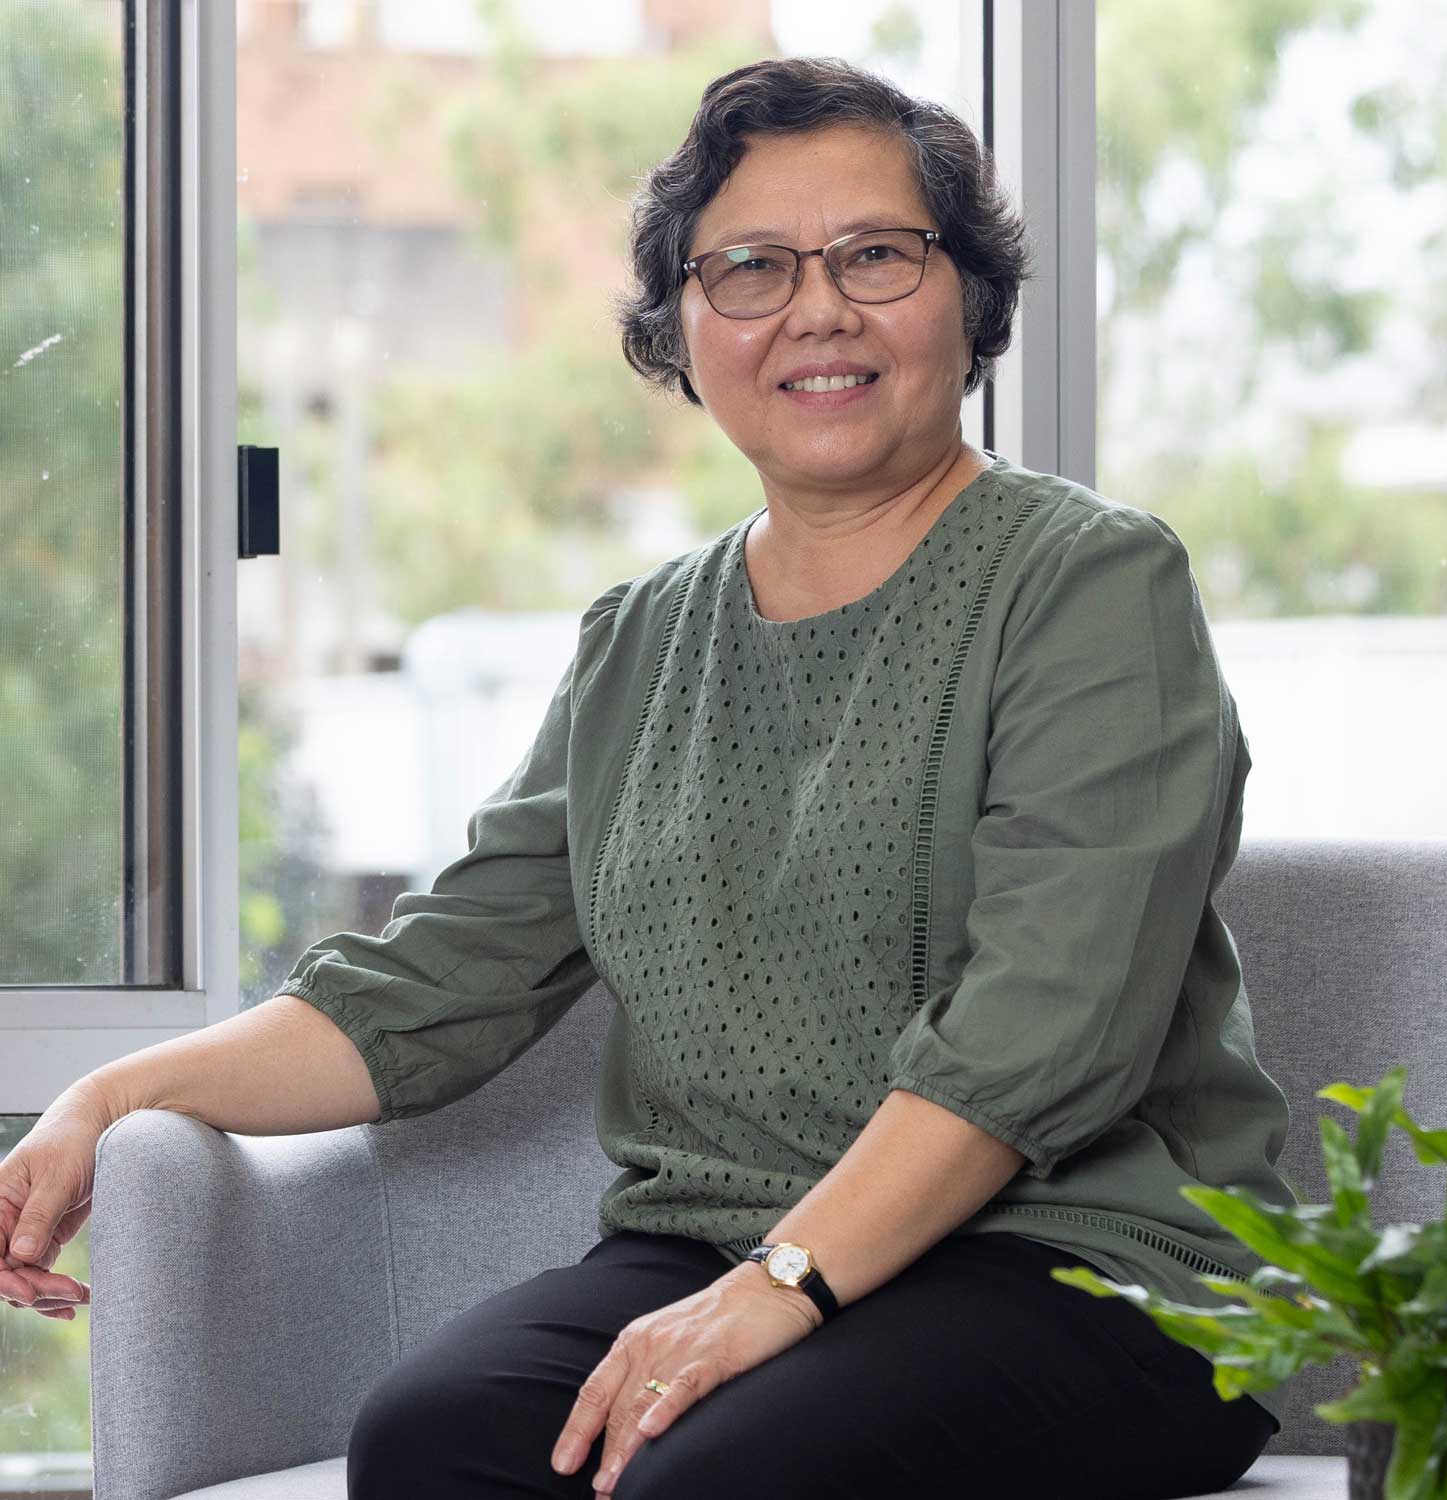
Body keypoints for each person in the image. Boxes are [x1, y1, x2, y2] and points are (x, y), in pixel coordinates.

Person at [1, 54, 1296, 1500]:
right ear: (683, 325)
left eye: (876, 254)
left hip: (1089, 1271)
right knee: (429, 1444)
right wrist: (109, 1097)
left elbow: (1044, 1034)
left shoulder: (1093, 585)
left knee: (716, 1479)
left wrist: (783, 1285)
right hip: (712, 1244)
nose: (818, 308)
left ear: (969, 295)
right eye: (750, 267)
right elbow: (431, 987)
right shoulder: (640, 640)